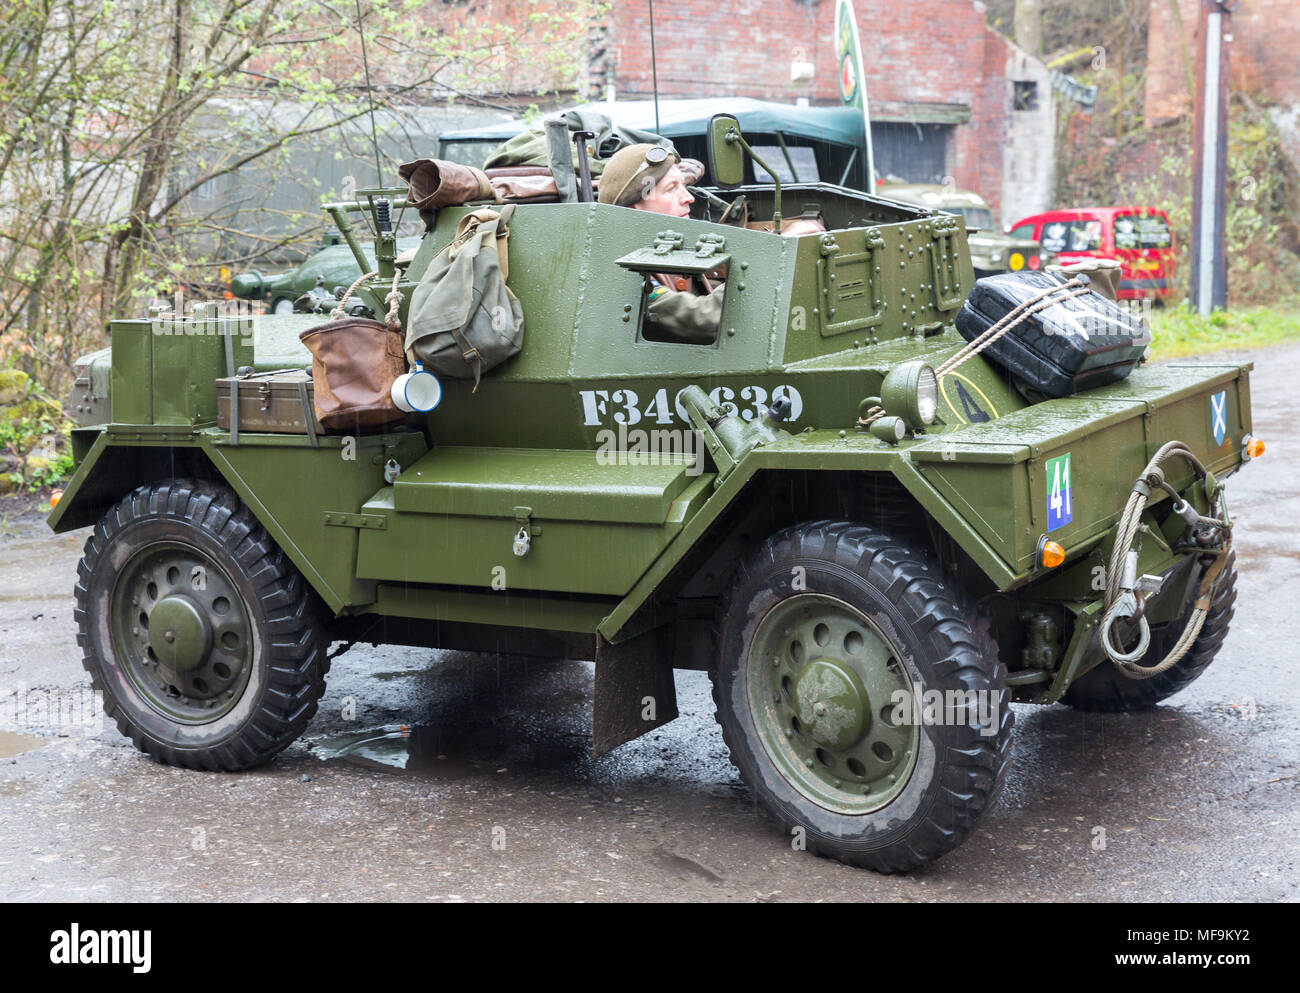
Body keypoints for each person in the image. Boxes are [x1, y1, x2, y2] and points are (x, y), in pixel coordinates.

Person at [599, 143, 722, 345]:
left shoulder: (662, 251)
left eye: (683, 186)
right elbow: (705, 321)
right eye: (671, 189)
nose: (688, 197)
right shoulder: (623, 267)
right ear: (634, 207)